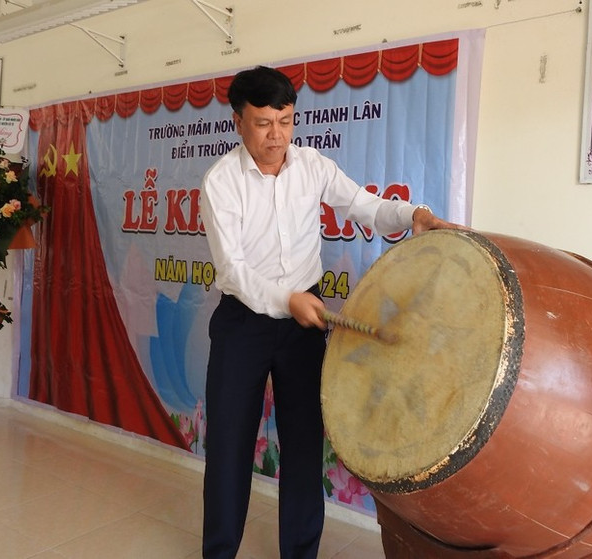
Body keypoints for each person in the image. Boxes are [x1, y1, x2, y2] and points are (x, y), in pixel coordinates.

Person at [199, 65, 461, 559]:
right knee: (229, 448)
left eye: (285, 121)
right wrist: (285, 299)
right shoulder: (221, 182)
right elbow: (231, 270)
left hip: (305, 326)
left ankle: (300, 552)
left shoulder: (313, 165)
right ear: (238, 121)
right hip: (244, 324)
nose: (276, 136)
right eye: (262, 123)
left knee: (303, 446)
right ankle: (219, 552)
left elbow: (366, 207)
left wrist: (413, 215)